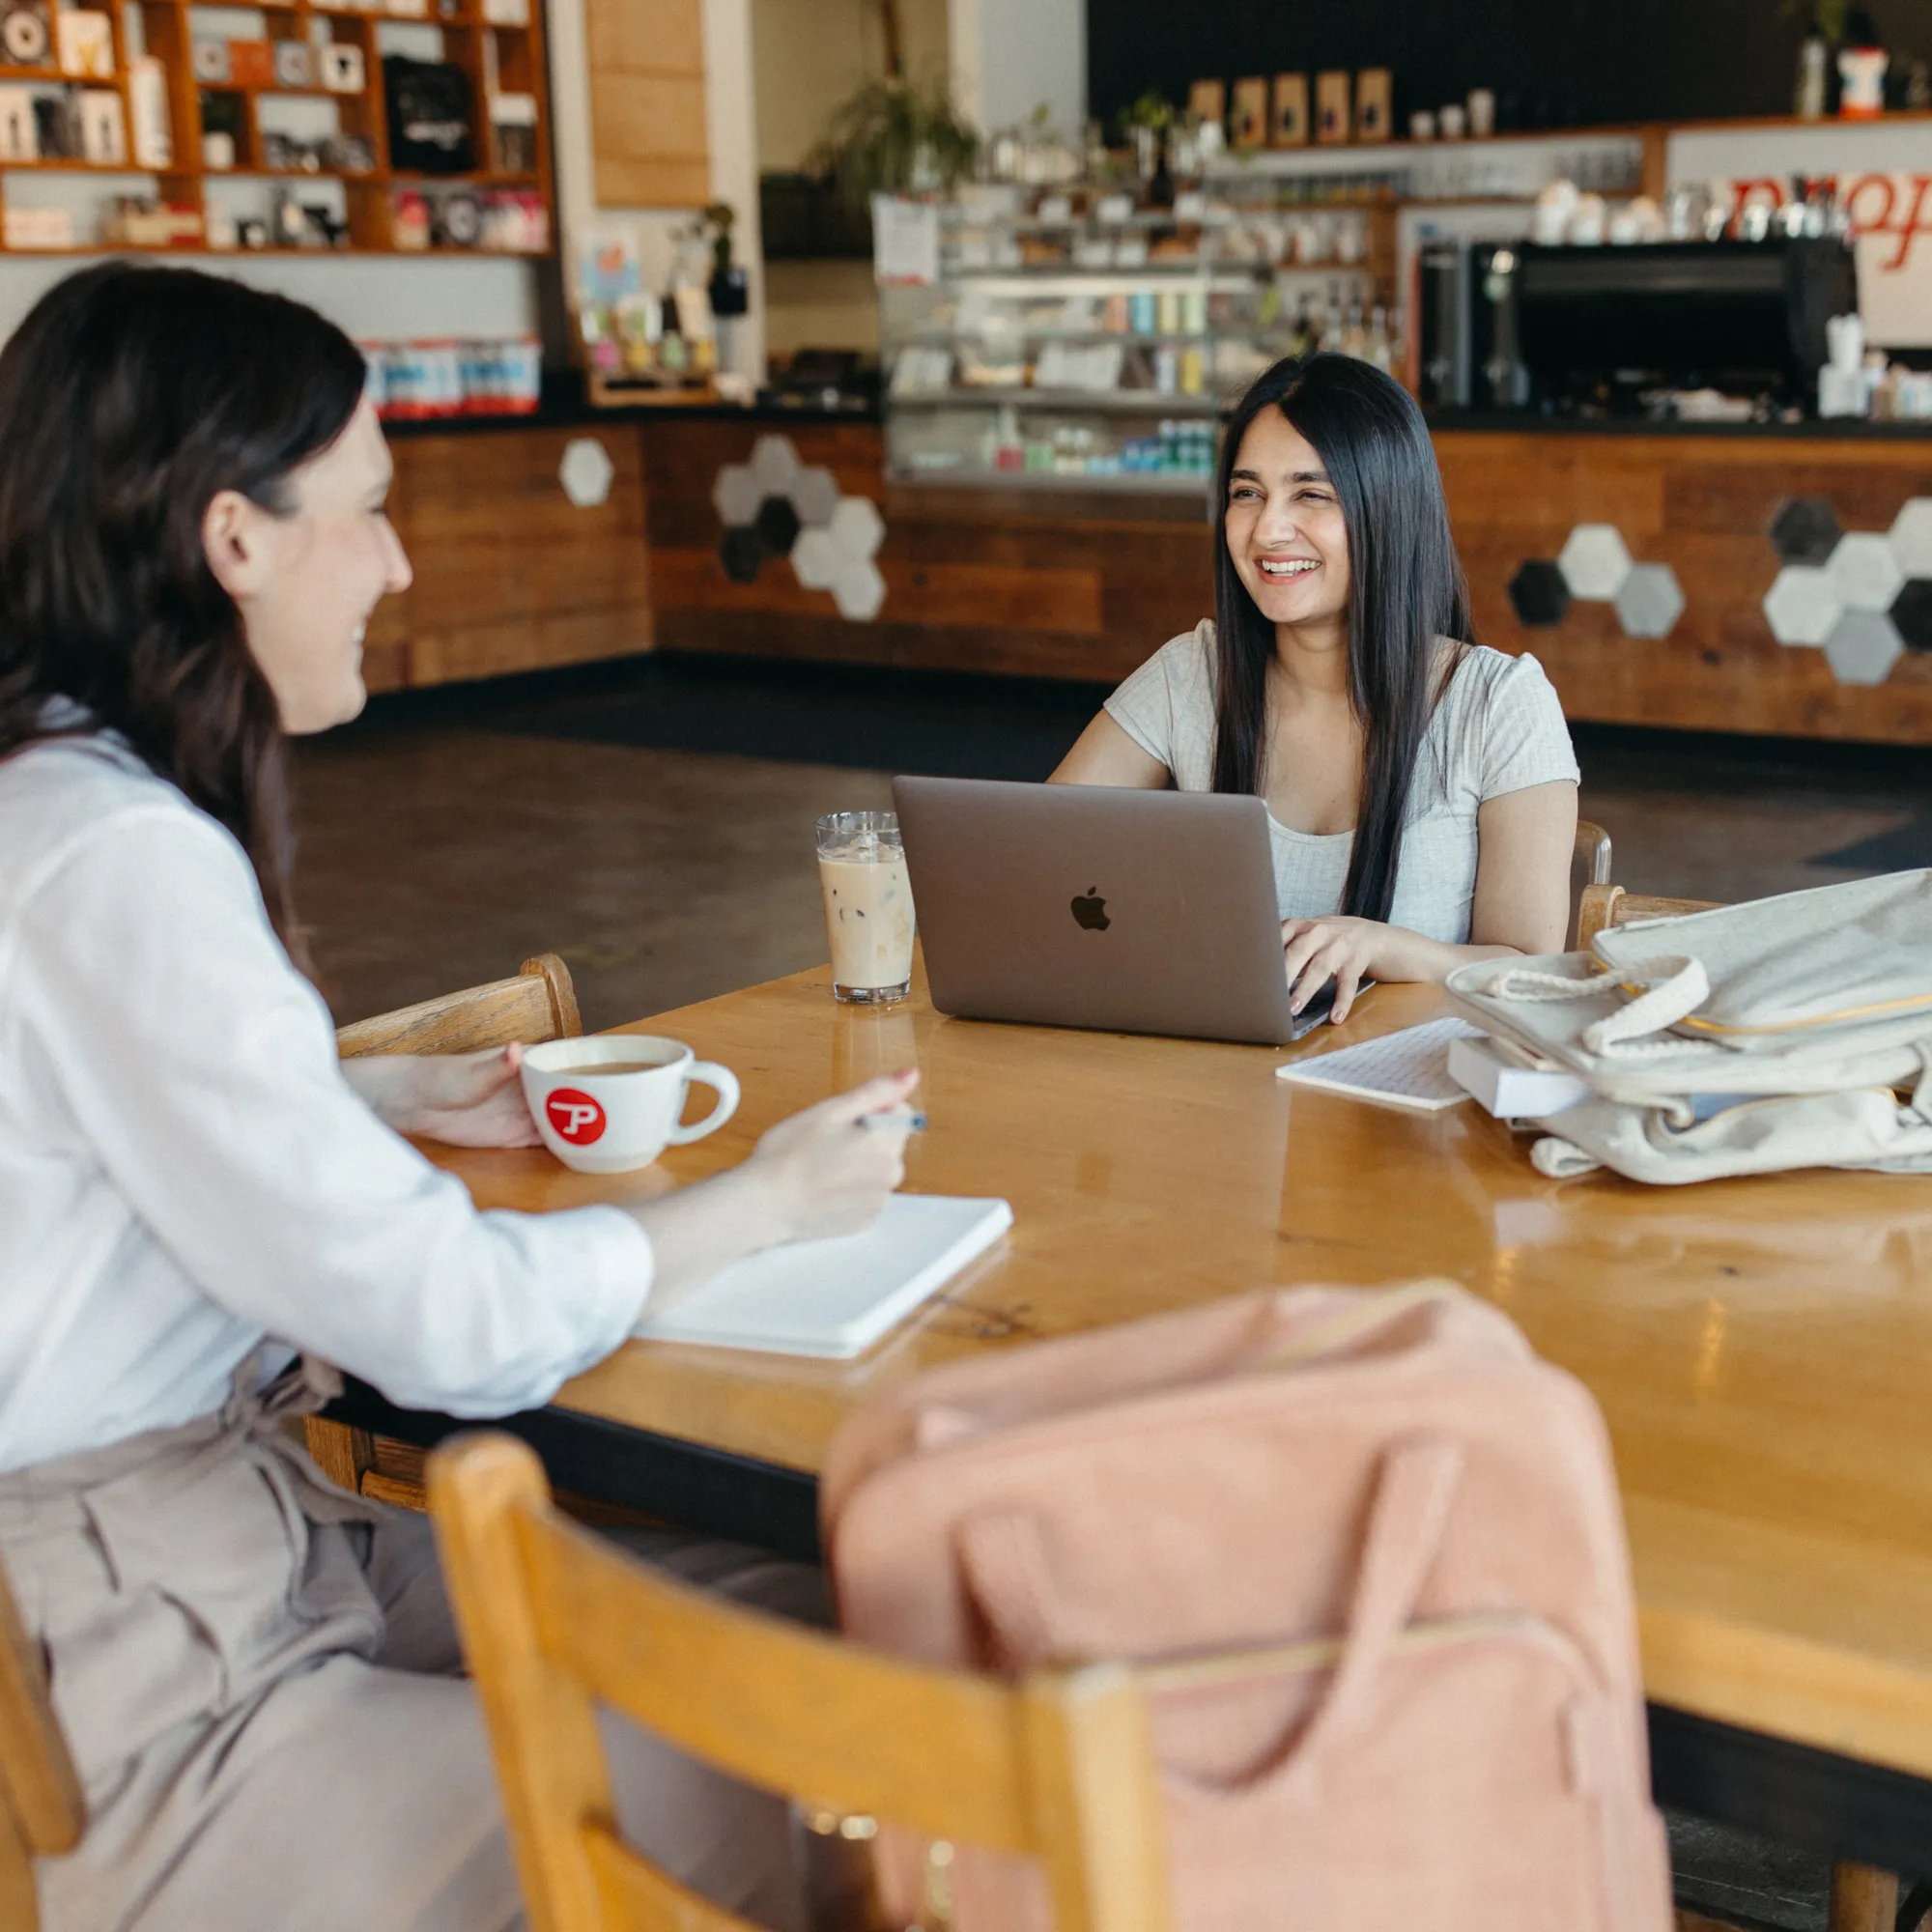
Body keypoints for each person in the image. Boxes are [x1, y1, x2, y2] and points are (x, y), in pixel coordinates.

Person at [0, 261, 916, 1931]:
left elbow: (112, 1122)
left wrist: (378, 1088)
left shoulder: (59, 800)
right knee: (801, 1759)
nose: (401, 562)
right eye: (370, 507)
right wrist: (762, 1201)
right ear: (233, 540)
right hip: (159, 1660)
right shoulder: (119, 858)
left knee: (835, 1619)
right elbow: (453, 1325)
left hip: (246, 1535)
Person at [1052, 354, 1579, 1024]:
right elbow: (1037, 854)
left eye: (1311, 494)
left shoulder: (1497, 702)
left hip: (1414, 1105)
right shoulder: (1194, 672)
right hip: (1221, 1094)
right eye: (1247, 493)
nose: (1268, 529)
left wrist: (1384, 945)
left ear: (1386, 509)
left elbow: (1533, 973)